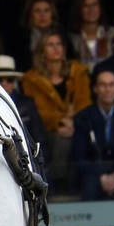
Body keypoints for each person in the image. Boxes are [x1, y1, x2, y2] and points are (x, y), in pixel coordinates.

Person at [18, 31, 90, 171]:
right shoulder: (31, 79)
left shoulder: (78, 72)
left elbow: (84, 102)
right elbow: (38, 111)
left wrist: (73, 122)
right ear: (42, 52)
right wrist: (61, 121)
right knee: (61, 141)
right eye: (51, 45)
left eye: (59, 44)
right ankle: (58, 182)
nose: (56, 48)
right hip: (48, 130)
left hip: (78, 125)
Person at [71, 67, 114, 201]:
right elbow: (78, 156)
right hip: (93, 172)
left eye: (111, 85)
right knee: (90, 184)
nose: (107, 89)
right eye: (103, 85)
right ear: (95, 89)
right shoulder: (83, 117)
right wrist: (101, 175)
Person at [0, 54, 48, 151]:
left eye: (9, 79)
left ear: (14, 82)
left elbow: (40, 140)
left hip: (25, 159)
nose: (4, 83)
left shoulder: (28, 105)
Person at [70, 0, 113, 66]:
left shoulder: (112, 35)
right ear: (79, 10)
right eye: (85, 6)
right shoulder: (72, 40)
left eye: (94, 5)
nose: (91, 10)